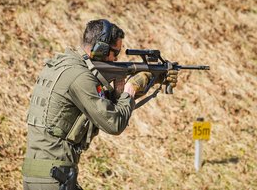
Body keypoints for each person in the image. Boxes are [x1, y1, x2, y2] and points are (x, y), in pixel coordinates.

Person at [22, 19, 178, 190]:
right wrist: (130, 89)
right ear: (101, 49)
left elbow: (103, 107)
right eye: (115, 53)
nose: (117, 59)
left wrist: (151, 80)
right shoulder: (80, 77)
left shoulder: (62, 66)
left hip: (39, 175)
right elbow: (114, 124)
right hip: (54, 178)